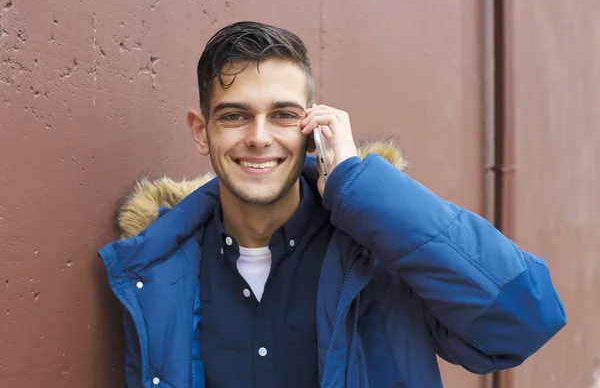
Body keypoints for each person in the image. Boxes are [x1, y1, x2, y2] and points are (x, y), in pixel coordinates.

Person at [99, 21, 566, 388]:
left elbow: (524, 319)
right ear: (201, 131)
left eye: (283, 115)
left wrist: (359, 187)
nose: (259, 138)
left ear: (313, 127)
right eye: (235, 115)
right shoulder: (156, 268)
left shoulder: (377, 251)